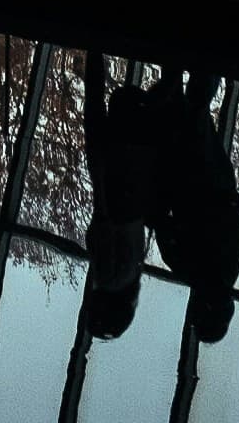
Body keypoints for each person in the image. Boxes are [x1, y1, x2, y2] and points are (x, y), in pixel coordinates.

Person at [151, 67, 239, 343]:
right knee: (190, 113)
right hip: (194, 184)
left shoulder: (225, 267)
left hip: (213, 184)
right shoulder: (185, 266)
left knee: (196, 113)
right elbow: (161, 223)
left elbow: (235, 220)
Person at [83, 49, 161, 340]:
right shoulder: (107, 277)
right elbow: (105, 223)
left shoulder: (127, 274)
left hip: (129, 181)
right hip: (113, 180)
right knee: (96, 102)